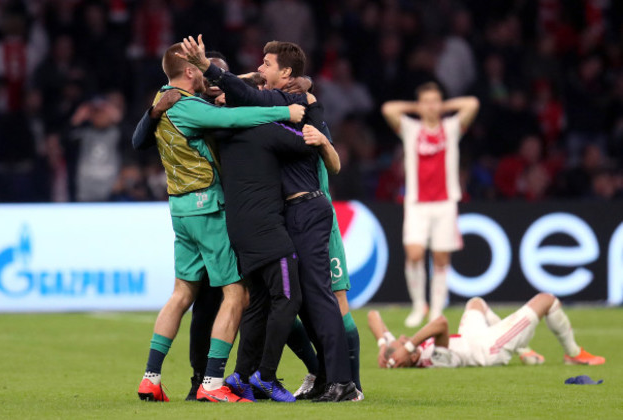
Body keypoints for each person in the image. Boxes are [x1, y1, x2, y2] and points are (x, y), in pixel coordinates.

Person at [179, 35, 357, 402]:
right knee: (293, 298)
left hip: (308, 207)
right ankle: (317, 377)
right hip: (288, 212)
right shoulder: (284, 101)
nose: (260, 68)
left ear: (286, 72)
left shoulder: (290, 103)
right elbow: (250, 94)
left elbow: (261, 102)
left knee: (318, 298)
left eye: (267, 64)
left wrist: (210, 69)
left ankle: (343, 382)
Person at [137, 42, 304, 403]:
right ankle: (212, 383)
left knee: (182, 294)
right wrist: (282, 111)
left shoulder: (163, 97)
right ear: (192, 72)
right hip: (206, 207)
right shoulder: (191, 108)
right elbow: (234, 118)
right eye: (200, 65)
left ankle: (151, 377)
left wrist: (245, 78)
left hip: (179, 209)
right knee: (237, 294)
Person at [381, 83, 480, 327]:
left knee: (441, 258)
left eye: (435, 101)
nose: (431, 106)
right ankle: (418, 305)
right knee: (414, 254)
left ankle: (436, 309)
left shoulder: (451, 127)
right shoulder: (411, 129)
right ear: (419, 104)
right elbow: (388, 109)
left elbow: (473, 104)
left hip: (445, 202)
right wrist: (418, 107)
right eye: (426, 101)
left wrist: (443, 107)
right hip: (417, 203)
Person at [368, 293, 606, 369]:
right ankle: (573, 354)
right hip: (490, 347)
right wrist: (409, 345)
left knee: (476, 303)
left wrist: (382, 343)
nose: (400, 338)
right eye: (399, 343)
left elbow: (372, 316)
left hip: (471, 337)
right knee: (547, 300)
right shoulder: (434, 359)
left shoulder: (403, 353)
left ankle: (523, 348)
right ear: (410, 356)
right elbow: (440, 323)